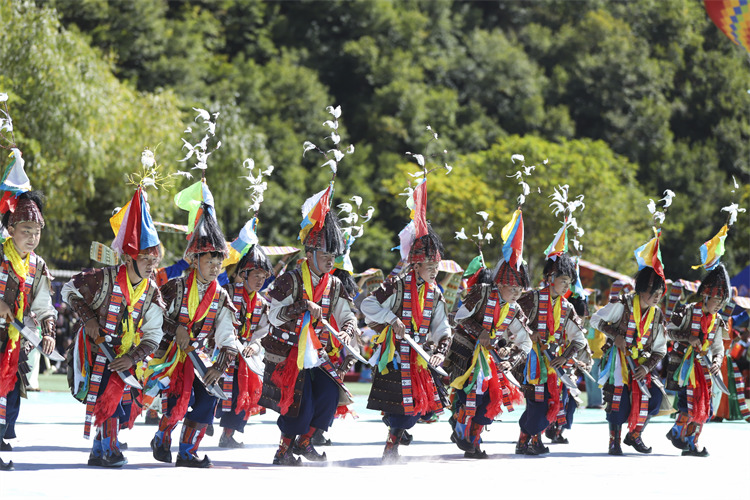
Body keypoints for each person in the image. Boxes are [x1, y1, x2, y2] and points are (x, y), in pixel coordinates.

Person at [63, 185, 164, 468]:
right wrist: (90, 319)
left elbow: (154, 334)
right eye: (145, 259)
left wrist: (131, 358)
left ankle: (99, 451)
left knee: (119, 401)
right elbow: (68, 291)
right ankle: (109, 451)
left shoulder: (152, 292)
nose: (150, 265)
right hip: (96, 348)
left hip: (125, 356)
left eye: (154, 260)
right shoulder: (102, 277)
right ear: (130, 257)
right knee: (108, 398)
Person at [259, 187, 358, 466]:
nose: (330, 259)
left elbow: (346, 313)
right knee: (298, 401)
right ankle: (283, 451)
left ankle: (305, 443)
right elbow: (273, 315)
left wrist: (347, 330)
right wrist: (302, 306)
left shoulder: (335, 284)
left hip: (317, 354)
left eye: (333, 255)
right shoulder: (290, 280)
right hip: (290, 352)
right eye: (325, 254)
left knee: (328, 395)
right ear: (310, 251)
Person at [148, 181, 238, 468]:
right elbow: (153, 316)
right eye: (210, 261)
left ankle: (187, 452)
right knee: (177, 402)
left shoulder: (221, 295)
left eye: (219, 263)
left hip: (202, 358)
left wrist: (220, 364)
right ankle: (162, 436)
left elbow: (226, 332)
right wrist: (176, 328)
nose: (215, 267)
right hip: (171, 358)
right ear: (194, 260)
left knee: (207, 400)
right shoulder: (174, 287)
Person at [362, 223, 452, 462]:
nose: (434, 272)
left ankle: (394, 425)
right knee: (404, 411)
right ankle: (391, 446)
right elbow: (367, 305)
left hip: (419, 357)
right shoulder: (396, 285)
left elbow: (443, 327)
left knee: (426, 411)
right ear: (416, 265)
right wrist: (391, 319)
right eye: (430, 267)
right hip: (393, 356)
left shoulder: (435, 293)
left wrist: (440, 353)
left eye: (436, 267)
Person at [445, 228, 532, 458]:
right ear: (500, 283)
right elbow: (458, 317)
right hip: (465, 355)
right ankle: (464, 433)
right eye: (512, 287)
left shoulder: (515, 309)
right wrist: (481, 331)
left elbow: (525, 342)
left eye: (519, 289)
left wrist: (510, 360)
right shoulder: (482, 293)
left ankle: (471, 441)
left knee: (491, 401)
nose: (516, 292)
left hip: (490, 361)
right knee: (468, 397)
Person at [0, 188, 57, 471]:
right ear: (11, 228)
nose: (32, 237)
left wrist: (48, 332)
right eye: (26, 229)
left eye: (37, 231)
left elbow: (45, 305)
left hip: (16, 344)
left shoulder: (38, 266)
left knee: (10, 397)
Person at [590, 266, 667, 455]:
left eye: (659, 292)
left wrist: (647, 368)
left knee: (655, 396)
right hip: (618, 360)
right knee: (618, 400)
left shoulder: (657, 315)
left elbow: (660, 349)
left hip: (641, 365)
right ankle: (613, 441)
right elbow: (595, 320)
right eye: (652, 292)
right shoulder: (622, 305)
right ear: (641, 289)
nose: (657, 296)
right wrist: (615, 335)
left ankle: (634, 435)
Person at [515, 252, 586, 455]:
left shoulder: (567, 307)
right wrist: (530, 332)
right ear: (550, 278)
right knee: (537, 403)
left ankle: (524, 441)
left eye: (569, 282)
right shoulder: (531, 299)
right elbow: (511, 322)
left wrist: (565, 357)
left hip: (553, 364)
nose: (566, 286)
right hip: (531, 362)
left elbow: (579, 339)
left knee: (547, 403)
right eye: (563, 281)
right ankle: (531, 441)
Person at [665, 264, 729, 456]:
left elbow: (718, 347)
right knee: (688, 404)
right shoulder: (686, 311)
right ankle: (681, 434)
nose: (719, 305)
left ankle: (687, 439)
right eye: (717, 300)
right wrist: (688, 337)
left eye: (722, 301)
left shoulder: (717, 320)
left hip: (705, 370)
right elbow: (668, 332)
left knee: (706, 407)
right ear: (705, 296)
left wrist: (717, 361)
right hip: (685, 368)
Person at [216, 242, 273, 448]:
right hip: (221, 350)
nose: (260, 280)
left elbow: (263, 332)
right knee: (213, 391)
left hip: (246, 356)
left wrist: (255, 345)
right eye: (255, 275)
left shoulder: (263, 303)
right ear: (243, 274)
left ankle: (228, 435)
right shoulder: (227, 292)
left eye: (263, 276)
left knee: (242, 393)